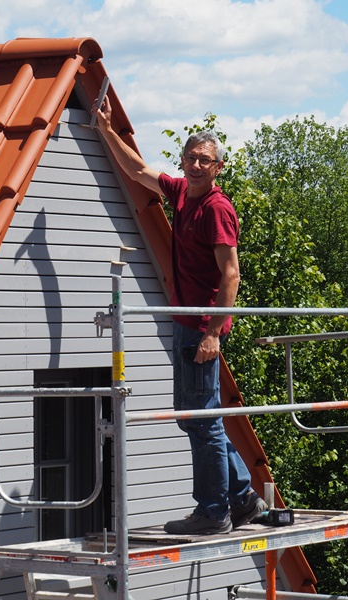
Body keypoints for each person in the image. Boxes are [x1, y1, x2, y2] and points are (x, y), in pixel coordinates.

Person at [93, 98, 267, 535]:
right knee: (194, 413)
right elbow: (138, 171)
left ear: (218, 168)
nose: (195, 166)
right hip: (184, 324)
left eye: (204, 161)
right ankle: (242, 497)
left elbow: (232, 274)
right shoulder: (182, 196)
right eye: (190, 158)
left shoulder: (216, 209)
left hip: (199, 328)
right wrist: (106, 129)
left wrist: (212, 332)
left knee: (200, 418)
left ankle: (213, 511)